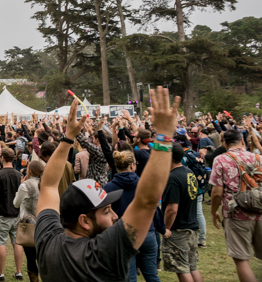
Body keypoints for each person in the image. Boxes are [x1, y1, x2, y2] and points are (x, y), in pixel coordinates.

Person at [35, 88, 178, 282]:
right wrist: (164, 138)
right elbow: (146, 201)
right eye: (106, 211)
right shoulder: (104, 253)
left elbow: (49, 186)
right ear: (84, 221)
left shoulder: (47, 241)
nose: (115, 216)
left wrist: (68, 137)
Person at [210, 128, 262, 282]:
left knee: (241, 259)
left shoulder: (220, 159)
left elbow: (217, 193)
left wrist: (214, 212)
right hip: (260, 212)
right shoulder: (258, 158)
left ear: (224, 144)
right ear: (242, 141)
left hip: (236, 214)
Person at [104, 151, 161, 282]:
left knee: (129, 277)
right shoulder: (144, 184)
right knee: (152, 275)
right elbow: (154, 208)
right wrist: (161, 228)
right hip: (147, 232)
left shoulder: (109, 187)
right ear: (132, 166)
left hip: (123, 233)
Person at [161, 142, 202, 282]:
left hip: (179, 230)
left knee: (182, 269)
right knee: (192, 267)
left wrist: (166, 227)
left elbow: (172, 209)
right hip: (191, 227)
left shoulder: (172, 178)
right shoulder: (189, 172)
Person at [0, 147, 24, 282]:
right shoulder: (19, 175)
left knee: (1, 243)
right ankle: (19, 271)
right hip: (16, 213)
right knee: (17, 243)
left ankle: (1, 273)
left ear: (2, 158)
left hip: (2, 213)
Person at [13, 160, 45, 282]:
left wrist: (21, 186)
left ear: (30, 170)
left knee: (31, 257)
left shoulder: (26, 185)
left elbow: (16, 204)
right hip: (44, 222)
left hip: (29, 225)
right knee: (43, 256)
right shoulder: (46, 183)